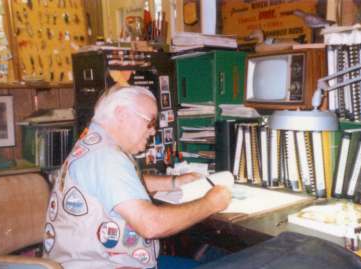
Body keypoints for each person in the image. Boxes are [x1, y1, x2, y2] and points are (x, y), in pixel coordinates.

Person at [44, 86, 232, 269]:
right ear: (122, 114)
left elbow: (116, 184)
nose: (153, 131)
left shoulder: (91, 143)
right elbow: (151, 225)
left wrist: (174, 182)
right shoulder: (106, 157)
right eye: (150, 122)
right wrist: (212, 202)